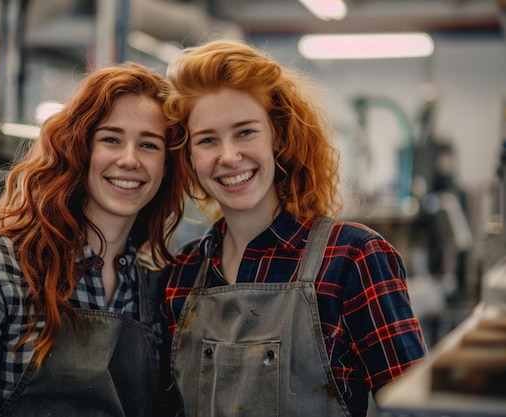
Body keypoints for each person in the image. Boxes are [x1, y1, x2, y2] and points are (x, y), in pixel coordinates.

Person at [156, 39, 427, 417]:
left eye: (246, 132)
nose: (229, 156)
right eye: (207, 140)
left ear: (278, 137)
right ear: (189, 156)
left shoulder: (352, 257)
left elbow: (415, 408)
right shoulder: (181, 273)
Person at [0, 62, 183, 417]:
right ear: (80, 148)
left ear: (166, 165)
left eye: (149, 145)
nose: (129, 159)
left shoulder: (152, 288)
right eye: (111, 139)